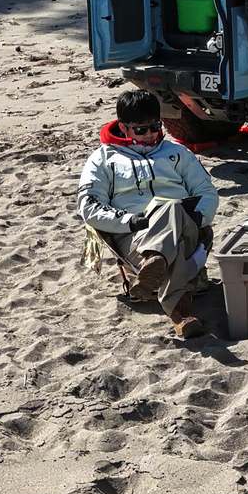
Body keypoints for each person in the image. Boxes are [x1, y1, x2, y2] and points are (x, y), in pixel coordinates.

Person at [76, 90, 219, 338]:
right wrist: (129, 221)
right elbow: (89, 205)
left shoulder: (178, 153)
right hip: (135, 234)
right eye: (141, 130)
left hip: (183, 224)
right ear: (123, 127)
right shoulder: (103, 159)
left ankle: (158, 264)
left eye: (155, 126)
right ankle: (179, 312)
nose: (151, 134)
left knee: (172, 207)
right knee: (176, 236)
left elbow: (207, 193)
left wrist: (194, 218)